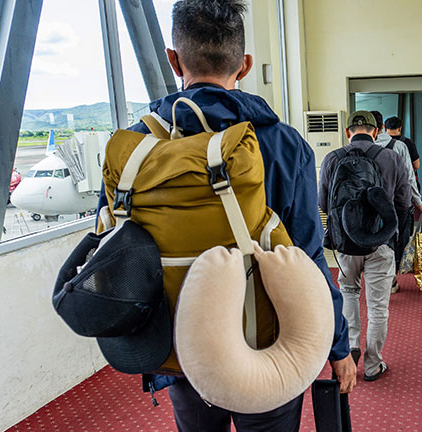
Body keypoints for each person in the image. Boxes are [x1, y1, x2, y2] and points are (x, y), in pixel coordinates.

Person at [95, 1, 355, 430]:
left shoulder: (136, 148)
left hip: (180, 346)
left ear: (173, 60)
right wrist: (338, 348)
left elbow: (116, 248)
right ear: (246, 65)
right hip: (269, 343)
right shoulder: (282, 144)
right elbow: (308, 257)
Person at [318, 111, 411, 382]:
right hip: (380, 242)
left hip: (346, 242)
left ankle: (352, 347)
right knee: (378, 305)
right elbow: (403, 202)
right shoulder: (390, 157)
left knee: (348, 292)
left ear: (348, 132)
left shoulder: (332, 159)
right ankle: (373, 364)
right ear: (377, 130)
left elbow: (323, 203)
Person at [371, 111, 422, 293]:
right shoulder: (400, 146)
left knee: (376, 239)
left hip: (371, 203)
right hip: (399, 201)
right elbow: (410, 176)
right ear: (381, 127)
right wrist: (418, 202)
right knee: (397, 239)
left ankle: (379, 279)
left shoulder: (361, 146)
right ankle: (392, 276)